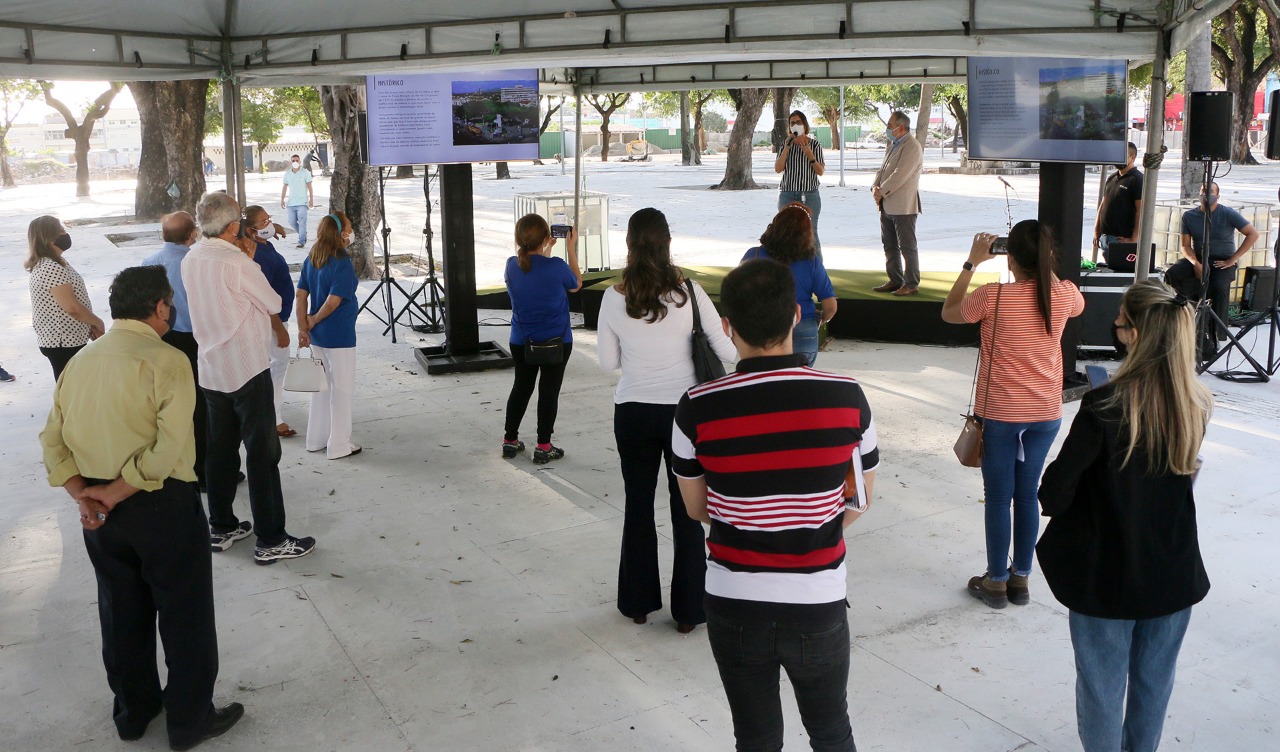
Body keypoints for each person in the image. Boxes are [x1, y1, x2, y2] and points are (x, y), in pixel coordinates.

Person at [673, 258, 878, 752]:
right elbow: (860, 498)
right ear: (794, 315)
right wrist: (813, 519)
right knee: (832, 732)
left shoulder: (697, 405)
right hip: (817, 600)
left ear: (727, 326)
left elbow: (698, 509)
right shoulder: (847, 397)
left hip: (734, 600)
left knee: (757, 739)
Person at [39, 265, 243, 751]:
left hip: (99, 513)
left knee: (120, 611)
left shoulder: (79, 363)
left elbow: (52, 441)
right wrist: (114, 491)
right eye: (169, 302)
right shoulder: (168, 360)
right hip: (161, 507)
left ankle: (134, 713)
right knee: (184, 614)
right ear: (159, 307)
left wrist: (85, 495)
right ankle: (189, 721)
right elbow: (170, 448)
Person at [1037, 280, 1212, 752]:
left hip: (1106, 576)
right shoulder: (1195, 404)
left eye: (1118, 321)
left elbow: (1053, 496)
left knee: (1101, 690)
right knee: (1155, 684)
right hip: (1172, 570)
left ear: (1135, 333)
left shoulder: (1103, 406)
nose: (1113, 327)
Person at [597, 208, 736, 634]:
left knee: (638, 507)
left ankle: (638, 603)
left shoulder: (613, 297)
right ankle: (690, 610)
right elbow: (728, 355)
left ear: (629, 245)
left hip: (634, 412)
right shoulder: (690, 293)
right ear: (668, 243)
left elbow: (607, 363)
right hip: (685, 414)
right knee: (689, 511)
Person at [940, 220, 1085, 608]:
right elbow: (1076, 301)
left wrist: (971, 263)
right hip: (1045, 412)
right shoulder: (1065, 294)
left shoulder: (993, 297)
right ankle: (1020, 579)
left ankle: (997, 581)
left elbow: (950, 312)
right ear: (1047, 256)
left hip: (1001, 413)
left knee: (999, 497)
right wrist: (1044, 264)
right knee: (1026, 495)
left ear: (1009, 257)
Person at [182, 191, 316, 564]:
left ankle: (222, 526)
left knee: (220, 450)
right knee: (262, 455)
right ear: (231, 226)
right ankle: (271, 538)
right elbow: (274, 304)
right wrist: (250, 261)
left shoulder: (192, 257)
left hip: (210, 368)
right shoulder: (238, 263)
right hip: (246, 368)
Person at [501, 213, 581, 464]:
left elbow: (533, 270)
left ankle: (510, 440)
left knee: (521, 388)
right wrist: (570, 248)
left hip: (521, 340)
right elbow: (575, 283)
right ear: (546, 237)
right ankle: (543, 445)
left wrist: (544, 248)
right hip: (556, 341)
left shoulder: (512, 265)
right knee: (548, 392)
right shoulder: (556, 266)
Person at [142, 211, 211, 488]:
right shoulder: (195, 263)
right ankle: (203, 471)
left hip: (160, 339)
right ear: (192, 234)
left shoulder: (149, 263)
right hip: (192, 340)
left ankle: (175, 465)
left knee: (168, 404)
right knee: (200, 406)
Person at [296, 212, 362, 460]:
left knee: (321, 389)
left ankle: (316, 439)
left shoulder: (312, 259)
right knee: (342, 390)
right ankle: (339, 444)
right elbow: (334, 302)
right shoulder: (341, 262)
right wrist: (312, 320)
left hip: (318, 337)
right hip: (339, 335)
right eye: (350, 226)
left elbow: (301, 295)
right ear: (342, 233)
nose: (352, 231)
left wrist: (304, 326)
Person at [742, 203, 837, 366]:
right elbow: (831, 307)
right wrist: (820, 320)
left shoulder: (754, 255)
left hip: (765, 326)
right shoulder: (811, 262)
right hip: (805, 327)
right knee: (801, 384)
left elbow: (739, 293)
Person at [1165, 181, 1258, 348]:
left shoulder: (1228, 213)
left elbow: (1252, 234)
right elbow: (1185, 246)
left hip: (1222, 260)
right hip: (1199, 257)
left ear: (1218, 195)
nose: (1206, 194)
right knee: (1173, 273)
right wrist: (1195, 263)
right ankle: (1178, 317)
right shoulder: (1189, 216)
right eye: (1203, 191)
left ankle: (1217, 333)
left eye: (1210, 191)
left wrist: (1233, 259)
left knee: (1218, 286)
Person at [25, 215, 105, 380]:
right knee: (71, 393)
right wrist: (96, 322)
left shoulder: (55, 262)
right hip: (63, 342)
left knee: (75, 391)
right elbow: (71, 307)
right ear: (49, 239)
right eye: (60, 230)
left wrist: (87, 325)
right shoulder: (50, 267)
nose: (65, 234)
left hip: (68, 339)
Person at [244, 204, 297, 438]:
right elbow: (262, 295)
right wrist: (279, 329)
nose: (269, 224)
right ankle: (274, 418)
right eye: (263, 222)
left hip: (279, 315)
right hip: (272, 319)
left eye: (269, 219)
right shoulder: (257, 255)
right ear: (249, 230)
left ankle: (269, 413)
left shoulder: (264, 244)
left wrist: (272, 228)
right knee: (277, 365)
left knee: (275, 364)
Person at [871, 111, 924, 296]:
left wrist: (881, 192)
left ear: (900, 128)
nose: (887, 129)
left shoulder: (912, 146)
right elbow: (882, 170)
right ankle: (895, 280)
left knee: (907, 247)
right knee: (889, 245)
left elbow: (899, 175)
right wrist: (874, 188)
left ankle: (911, 283)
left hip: (903, 206)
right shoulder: (893, 144)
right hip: (886, 204)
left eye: (889, 125)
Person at [773, 110, 825, 254]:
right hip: (787, 194)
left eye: (798, 122)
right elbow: (778, 169)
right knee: (785, 232)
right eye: (792, 123)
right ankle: (788, 268)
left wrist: (809, 154)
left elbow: (820, 171)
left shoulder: (815, 145)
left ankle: (816, 268)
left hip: (809, 195)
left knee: (811, 231)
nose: (795, 125)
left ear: (805, 125)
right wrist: (787, 148)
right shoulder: (785, 145)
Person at [1093, 142, 1143, 259]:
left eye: (1123, 156)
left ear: (1133, 157)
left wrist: (1133, 239)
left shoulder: (1137, 179)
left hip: (1121, 240)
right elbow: (1103, 205)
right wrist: (1097, 231)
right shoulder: (1112, 177)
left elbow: (1140, 211)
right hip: (1105, 237)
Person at [280, 154, 314, 248]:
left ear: (299, 161)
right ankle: (303, 234)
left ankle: (301, 241)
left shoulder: (305, 172)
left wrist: (311, 199)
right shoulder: (287, 174)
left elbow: (309, 186)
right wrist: (282, 199)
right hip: (291, 203)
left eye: (297, 160)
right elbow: (285, 186)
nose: (295, 162)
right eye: (293, 161)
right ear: (291, 162)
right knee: (291, 222)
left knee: (302, 221)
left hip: (302, 202)